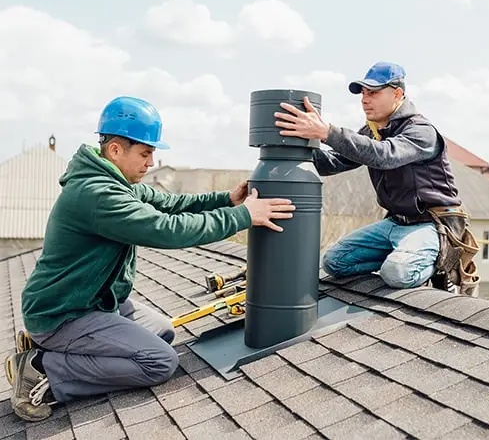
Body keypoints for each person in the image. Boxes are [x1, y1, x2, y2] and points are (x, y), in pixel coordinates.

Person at [5, 96, 296, 422]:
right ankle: (44, 370)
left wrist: (227, 199)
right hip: (64, 313)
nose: (150, 161)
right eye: (145, 153)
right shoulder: (99, 195)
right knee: (159, 362)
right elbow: (167, 229)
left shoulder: (116, 182)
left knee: (163, 331)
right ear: (115, 150)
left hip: (94, 303)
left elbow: (168, 205)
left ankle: (56, 349)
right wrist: (243, 216)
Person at [274, 61, 479, 292]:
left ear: (397, 93)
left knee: (398, 273)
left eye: (373, 92)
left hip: (432, 224)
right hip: (394, 222)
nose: (364, 99)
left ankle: (443, 265)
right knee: (334, 262)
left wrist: (327, 132)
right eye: (363, 93)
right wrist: (289, 146)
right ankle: (404, 256)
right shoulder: (372, 131)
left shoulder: (421, 131)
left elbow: (384, 155)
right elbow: (334, 162)